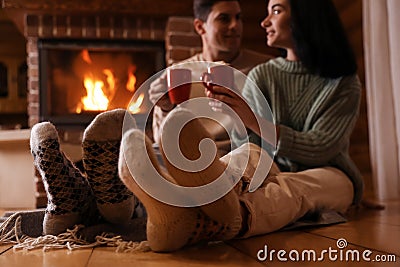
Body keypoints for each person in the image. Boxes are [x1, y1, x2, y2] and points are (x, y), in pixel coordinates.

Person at [117, 0, 364, 252]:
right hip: (272, 164)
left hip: (329, 172)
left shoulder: (343, 83)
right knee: (247, 155)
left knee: (295, 189)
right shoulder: (262, 75)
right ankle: (191, 205)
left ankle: (204, 220)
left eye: (276, 11)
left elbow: (321, 148)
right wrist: (236, 117)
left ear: (307, 16)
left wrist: (253, 120)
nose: (264, 22)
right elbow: (253, 146)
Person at [149, 0, 273, 148]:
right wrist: (165, 109)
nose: (235, 25)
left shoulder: (263, 68)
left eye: (238, 18)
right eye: (224, 19)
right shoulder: (178, 73)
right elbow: (160, 139)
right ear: (200, 27)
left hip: (240, 152)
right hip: (191, 156)